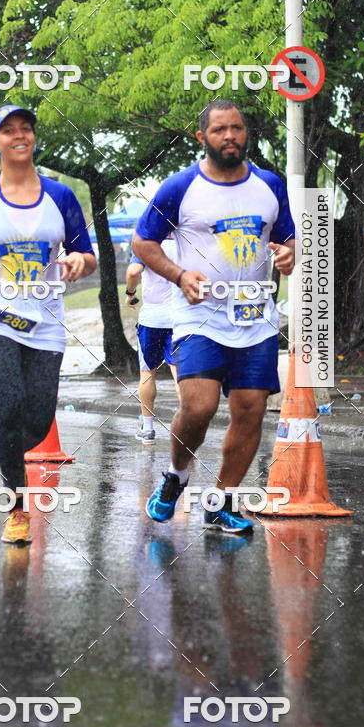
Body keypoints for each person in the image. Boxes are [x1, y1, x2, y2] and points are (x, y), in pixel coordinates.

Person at [132, 100, 295, 534]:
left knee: (251, 410)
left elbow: (287, 239)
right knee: (199, 406)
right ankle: (176, 476)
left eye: (237, 128)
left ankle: (221, 501)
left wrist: (287, 254)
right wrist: (179, 275)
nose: (230, 136)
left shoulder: (269, 184)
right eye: (220, 129)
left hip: (255, 319)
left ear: (246, 133)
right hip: (199, 316)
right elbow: (143, 243)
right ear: (202, 137)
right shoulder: (181, 186)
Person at [0, 104, 96, 545]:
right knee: (9, 402)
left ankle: (7, 448)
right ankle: (17, 506)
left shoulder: (61, 197)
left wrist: (79, 261)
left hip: (45, 324)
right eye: (8, 131)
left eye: (26, 128)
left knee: (37, 422)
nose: (19, 135)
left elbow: (87, 254)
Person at [125, 236, 180, 444]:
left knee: (147, 372)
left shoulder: (146, 242)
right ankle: (187, 432)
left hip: (152, 320)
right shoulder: (187, 242)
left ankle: (147, 429)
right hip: (180, 319)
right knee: (180, 375)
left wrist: (130, 292)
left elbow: (133, 272)